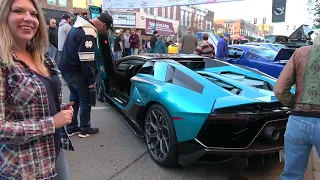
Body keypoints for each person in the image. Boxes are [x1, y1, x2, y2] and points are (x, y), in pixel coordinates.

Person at [0, 0, 74, 179]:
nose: (28, 18)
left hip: (54, 151)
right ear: (4, 18)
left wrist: (58, 108)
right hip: (24, 167)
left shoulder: (44, 58)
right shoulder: (3, 62)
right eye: (18, 11)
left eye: (33, 14)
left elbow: (36, 98)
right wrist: (51, 122)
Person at [59, 12, 113, 138]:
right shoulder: (88, 32)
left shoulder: (78, 26)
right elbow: (86, 60)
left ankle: (71, 128)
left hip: (67, 68)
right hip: (76, 71)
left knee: (74, 98)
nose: (103, 32)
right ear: (104, 25)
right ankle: (85, 128)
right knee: (85, 100)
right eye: (106, 29)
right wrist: (91, 80)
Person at [274, 35, 320, 180]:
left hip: (298, 121)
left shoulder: (300, 53)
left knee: (291, 175)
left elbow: (280, 90)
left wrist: (294, 103)